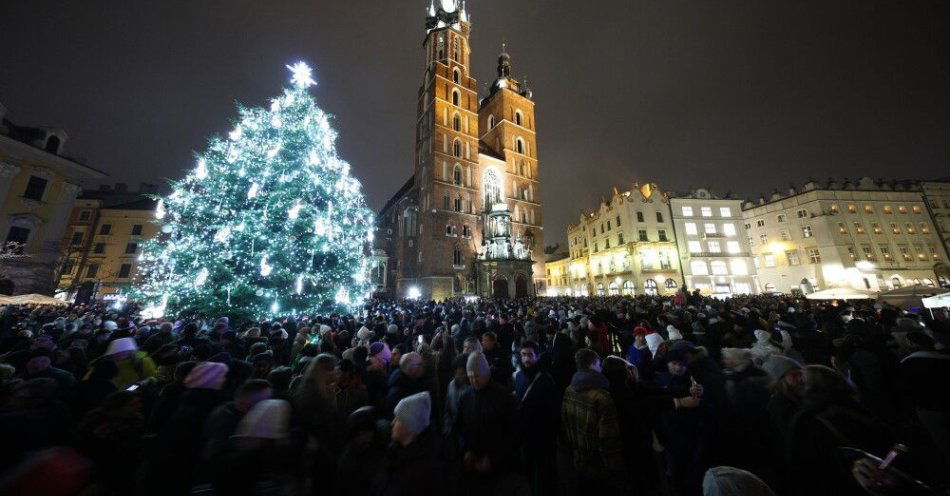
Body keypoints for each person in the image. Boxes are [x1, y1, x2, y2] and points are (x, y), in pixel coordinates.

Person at [785, 365, 894, 496]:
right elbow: (894, 443)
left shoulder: (806, 420)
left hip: (853, 485)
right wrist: (885, 466)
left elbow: (809, 468)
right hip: (887, 476)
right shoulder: (859, 403)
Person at [561, 348, 626, 492]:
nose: (601, 368)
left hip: (578, 459)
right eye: (598, 364)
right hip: (599, 466)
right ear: (592, 365)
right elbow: (608, 438)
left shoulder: (569, 389)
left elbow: (565, 423)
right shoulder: (602, 397)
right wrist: (615, 469)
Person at [454, 351, 517, 494]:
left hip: (498, 470)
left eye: (477, 376)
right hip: (473, 466)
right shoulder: (466, 396)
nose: (474, 381)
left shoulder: (502, 396)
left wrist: (494, 459)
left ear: (486, 373)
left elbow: (512, 433)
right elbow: (460, 428)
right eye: (470, 377)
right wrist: (466, 450)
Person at [370, 392, 443, 495]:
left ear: (409, 425)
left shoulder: (422, 471)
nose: (392, 423)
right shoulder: (394, 450)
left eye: (398, 418)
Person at [513, 341, 559, 496]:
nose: (526, 359)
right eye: (523, 354)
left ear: (537, 356)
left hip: (542, 440)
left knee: (543, 478)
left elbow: (553, 413)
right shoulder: (519, 376)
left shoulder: (546, 380)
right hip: (525, 437)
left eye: (530, 355)